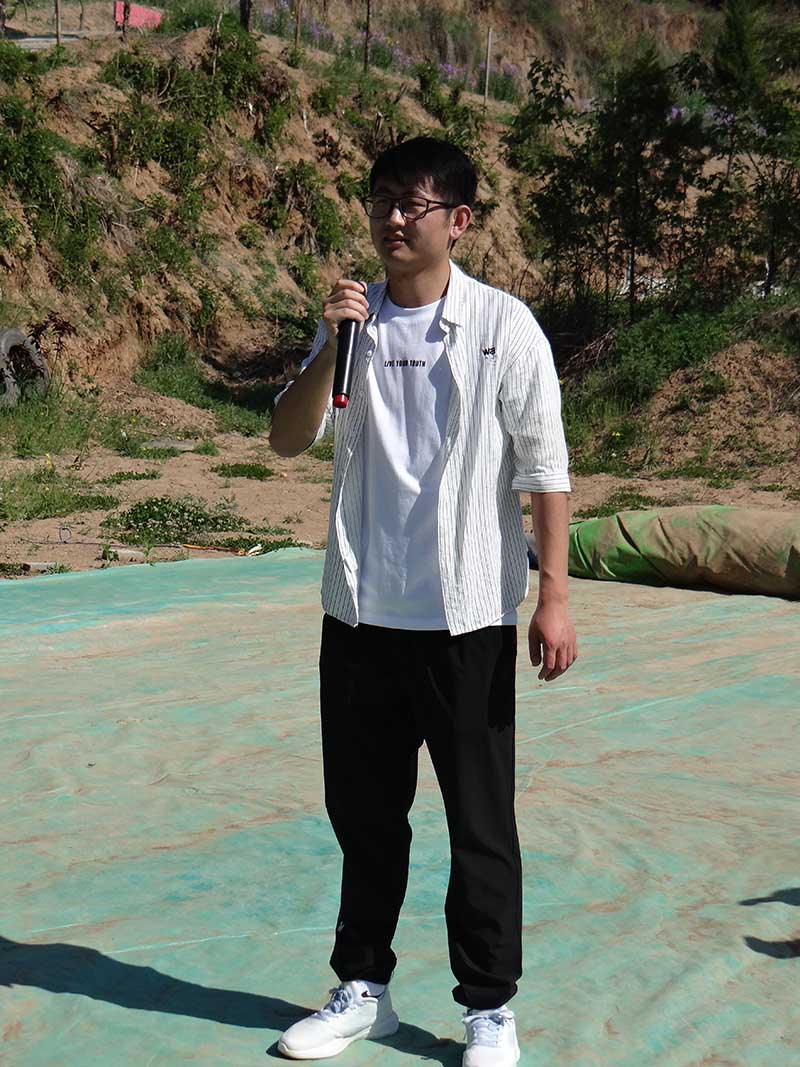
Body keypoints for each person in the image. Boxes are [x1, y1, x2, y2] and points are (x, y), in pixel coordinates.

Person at [269, 136, 577, 1066]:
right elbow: (287, 438)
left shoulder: (502, 326)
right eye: (381, 201)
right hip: (362, 616)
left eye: (414, 203)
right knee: (364, 816)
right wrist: (332, 348)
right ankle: (364, 989)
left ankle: (489, 1005)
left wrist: (555, 596)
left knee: (480, 822)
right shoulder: (352, 323)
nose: (394, 219)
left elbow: (545, 467)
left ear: (459, 220)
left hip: (465, 618)